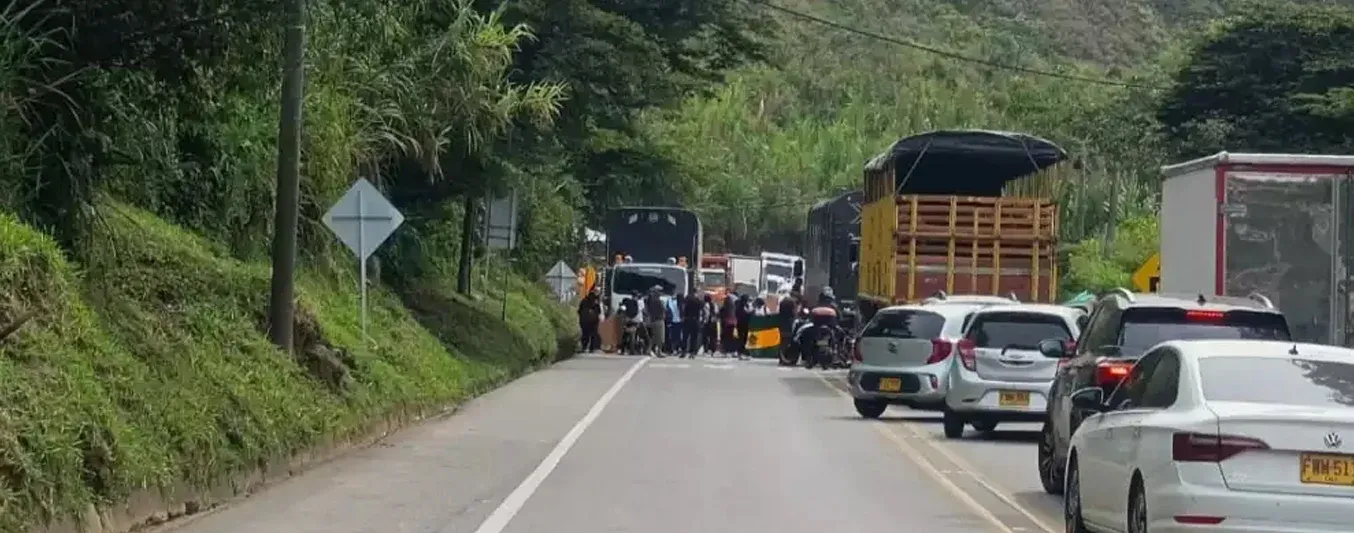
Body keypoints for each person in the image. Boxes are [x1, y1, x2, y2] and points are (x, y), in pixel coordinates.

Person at [643, 286, 666, 357]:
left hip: (653, 320)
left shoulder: (650, 300)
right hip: (658, 320)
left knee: (654, 337)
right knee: (660, 337)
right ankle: (659, 351)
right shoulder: (657, 301)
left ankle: (649, 349)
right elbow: (663, 310)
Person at [681, 290, 704, 357]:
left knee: (685, 337)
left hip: (687, 319)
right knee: (693, 337)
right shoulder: (697, 300)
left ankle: (683, 351)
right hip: (695, 320)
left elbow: (683, 307)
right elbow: (702, 305)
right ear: (695, 293)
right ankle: (692, 352)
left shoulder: (686, 299)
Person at [776, 292, 797, 361]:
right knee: (787, 340)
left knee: (782, 339)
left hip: (781, 322)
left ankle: (781, 357)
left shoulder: (782, 302)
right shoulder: (792, 302)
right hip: (789, 323)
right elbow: (794, 313)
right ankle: (784, 356)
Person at [734, 294, 752, 359]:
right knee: (741, 339)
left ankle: (742, 352)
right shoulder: (739, 306)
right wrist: (748, 314)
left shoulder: (746, 306)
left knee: (744, 339)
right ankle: (740, 352)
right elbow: (740, 315)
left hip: (745, 325)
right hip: (741, 325)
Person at [665, 291, 683, 355]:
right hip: (679, 322)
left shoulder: (671, 302)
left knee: (672, 337)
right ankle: (678, 349)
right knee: (679, 336)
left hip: (672, 321)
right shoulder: (681, 304)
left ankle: (673, 349)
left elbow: (668, 311)